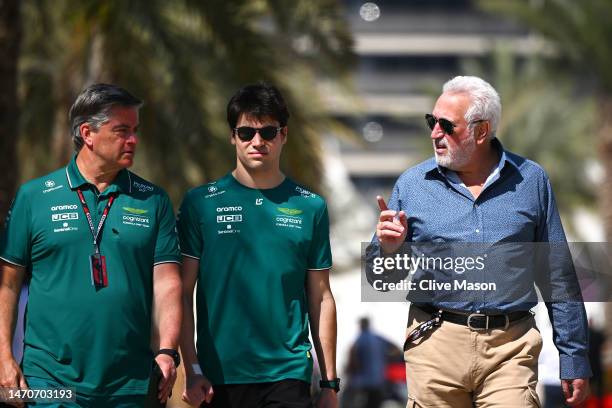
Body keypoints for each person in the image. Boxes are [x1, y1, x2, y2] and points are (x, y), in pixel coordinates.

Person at [369, 76, 591, 407]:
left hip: (510, 348)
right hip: (434, 344)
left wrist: (574, 357)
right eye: (432, 122)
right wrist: (389, 249)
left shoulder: (532, 181)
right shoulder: (412, 185)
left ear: (481, 131)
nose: (434, 133)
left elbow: (557, 275)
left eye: (446, 125)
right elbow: (380, 278)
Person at [0, 83, 182, 407]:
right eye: (122, 131)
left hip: (129, 385)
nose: (133, 140)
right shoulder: (34, 196)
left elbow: (167, 282)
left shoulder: (154, 200)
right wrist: (3, 358)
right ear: (88, 133)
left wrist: (167, 351)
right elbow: (8, 285)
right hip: (48, 382)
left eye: (135, 130)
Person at [177, 82, 339, 408]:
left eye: (268, 132)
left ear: (284, 135)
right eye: (246, 133)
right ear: (231, 136)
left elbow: (320, 296)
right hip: (220, 375)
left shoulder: (311, 207)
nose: (257, 142)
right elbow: (180, 292)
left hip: (288, 374)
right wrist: (193, 368)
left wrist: (330, 384)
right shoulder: (199, 203)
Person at [343, 318, 387, 408]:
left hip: (362, 382)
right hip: (378, 380)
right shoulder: (378, 338)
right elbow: (395, 349)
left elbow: (353, 359)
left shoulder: (359, 339)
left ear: (361, 325)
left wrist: (349, 371)